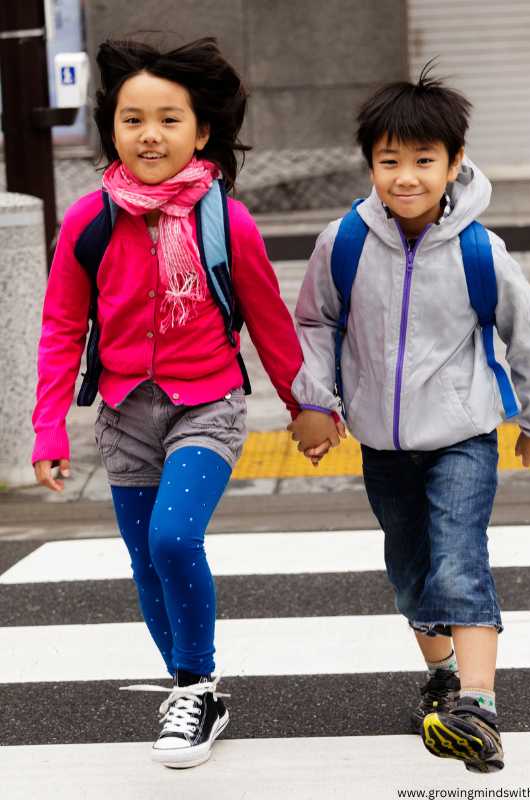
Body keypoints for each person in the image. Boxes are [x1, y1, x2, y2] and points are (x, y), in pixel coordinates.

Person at [31, 36, 339, 769]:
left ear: (202, 132)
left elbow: (267, 315)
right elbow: (61, 326)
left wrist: (306, 404)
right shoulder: (90, 219)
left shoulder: (225, 221)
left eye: (169, 119)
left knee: (173, 540)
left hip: (208, 404)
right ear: (112, 130)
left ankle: (196, 683)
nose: (149, 134)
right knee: (144, 561)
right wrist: (49, 427)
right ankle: (191, 687)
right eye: (133, 118)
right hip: (124, 414)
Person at [287, 65, 530, 773]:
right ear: (369, 163)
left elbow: (526, 336)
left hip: (464, 436)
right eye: (389, 161)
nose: (405, 176)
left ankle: (478, 705)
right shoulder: (343, 241)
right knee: (411, 576)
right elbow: (314, 321)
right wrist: (314, 400)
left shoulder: (481, 250)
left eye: (423, 161)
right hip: (381, 442)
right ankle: (443, 674)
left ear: (454, 163)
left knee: (459, 560)